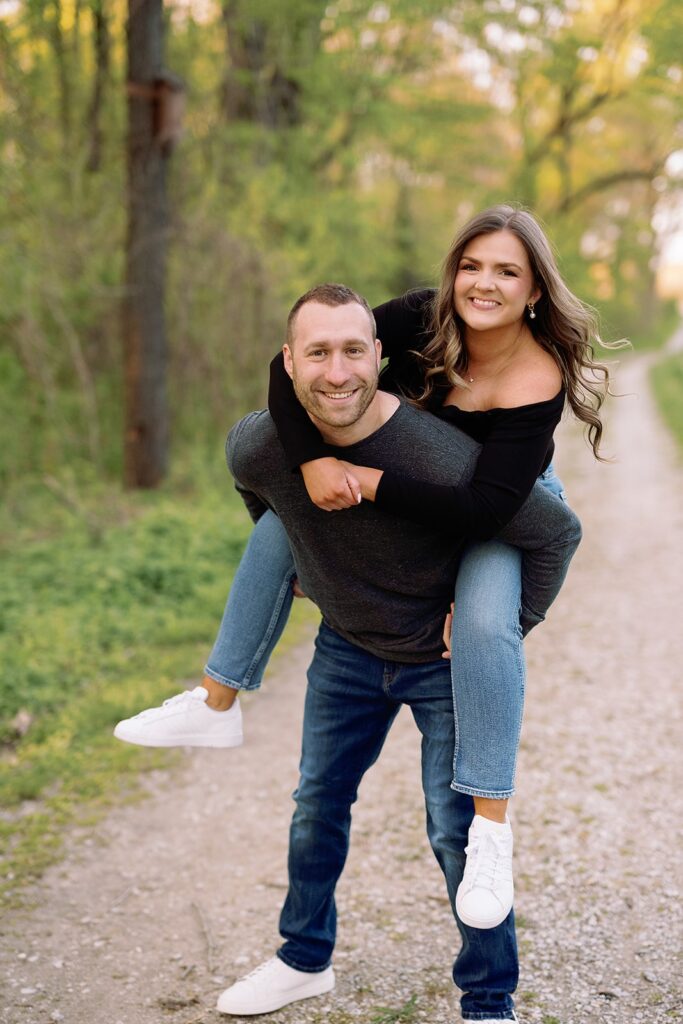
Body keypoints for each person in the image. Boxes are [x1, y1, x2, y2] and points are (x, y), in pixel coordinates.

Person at [115, 205, 609, 929]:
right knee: (286, 520)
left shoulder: (535, 375)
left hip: (500, 512)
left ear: (534, 290)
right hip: (419, 493)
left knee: (477, 623)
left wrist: (366, 482)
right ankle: (215, 702)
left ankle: (490, 832)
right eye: (471, 265)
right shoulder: (419, 318)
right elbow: (297, 360)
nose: (483, 283)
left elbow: (483, 510)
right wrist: (314, 462)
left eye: (506, 271)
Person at [212, 283, 581, 1020]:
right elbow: (267, 494)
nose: (338, 370)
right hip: (348, 649)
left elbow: (552, 530)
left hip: (444, 662)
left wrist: (506, 626)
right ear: (291, 363)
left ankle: (487, 999)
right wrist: (309, 567)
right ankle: (301, 958)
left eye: (353, 351)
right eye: (318, 354)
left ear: (381, 357)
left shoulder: (435, 446)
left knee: (457, 830)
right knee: (316, 804)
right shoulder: (282, 435)